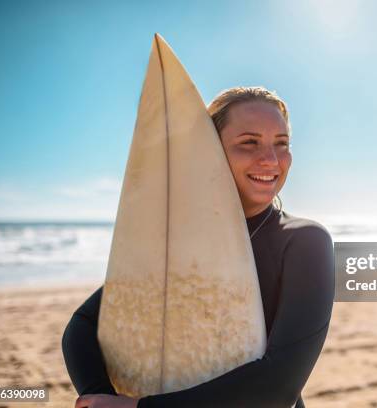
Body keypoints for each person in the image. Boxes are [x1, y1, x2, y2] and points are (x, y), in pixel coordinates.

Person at [62, 87, 335, 408]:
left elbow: (278, 387)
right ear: (210, 153)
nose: (271, 159)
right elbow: (83, 325)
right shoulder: (179, 245)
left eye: (282, 143)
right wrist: (101, 397)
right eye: (249, 142)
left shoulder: (304, 242)